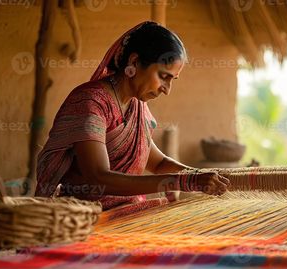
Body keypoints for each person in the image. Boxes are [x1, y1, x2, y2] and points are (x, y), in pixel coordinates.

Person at [35, 21, 229, 210]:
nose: (167, 90)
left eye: (173, 80)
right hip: (86, 221)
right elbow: (98, 176)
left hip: (127, 216)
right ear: (134, 62)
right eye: (163, 76)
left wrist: (202, 176)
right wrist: (181, 182)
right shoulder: (91, 102)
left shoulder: (137, 106)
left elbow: (159, 163)